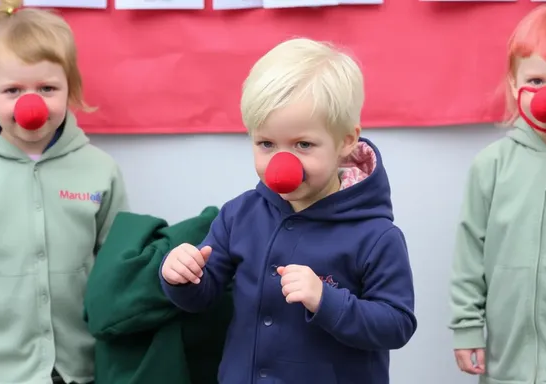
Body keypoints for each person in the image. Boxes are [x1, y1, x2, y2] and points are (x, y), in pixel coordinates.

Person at [159, 37, 417, 384]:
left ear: (346, 141)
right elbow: (202, 296)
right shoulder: (240, 214)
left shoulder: (376, 235)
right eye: (267, 144)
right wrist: (181, 276)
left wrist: (326, 300)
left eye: (303, 144)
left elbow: (397, 325)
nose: (282, 163)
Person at [0, 0, 128, 383]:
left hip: (80, 367)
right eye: (13, 89)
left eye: (46, 87)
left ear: (69, 89)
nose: (30, 103)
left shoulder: (100, 171)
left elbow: (117, 264)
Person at [449, 4, 546, 384]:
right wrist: (466, 325)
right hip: (505, 367)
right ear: (514, 84)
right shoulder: (491, 165)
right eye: (536, 81)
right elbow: (470, 250)